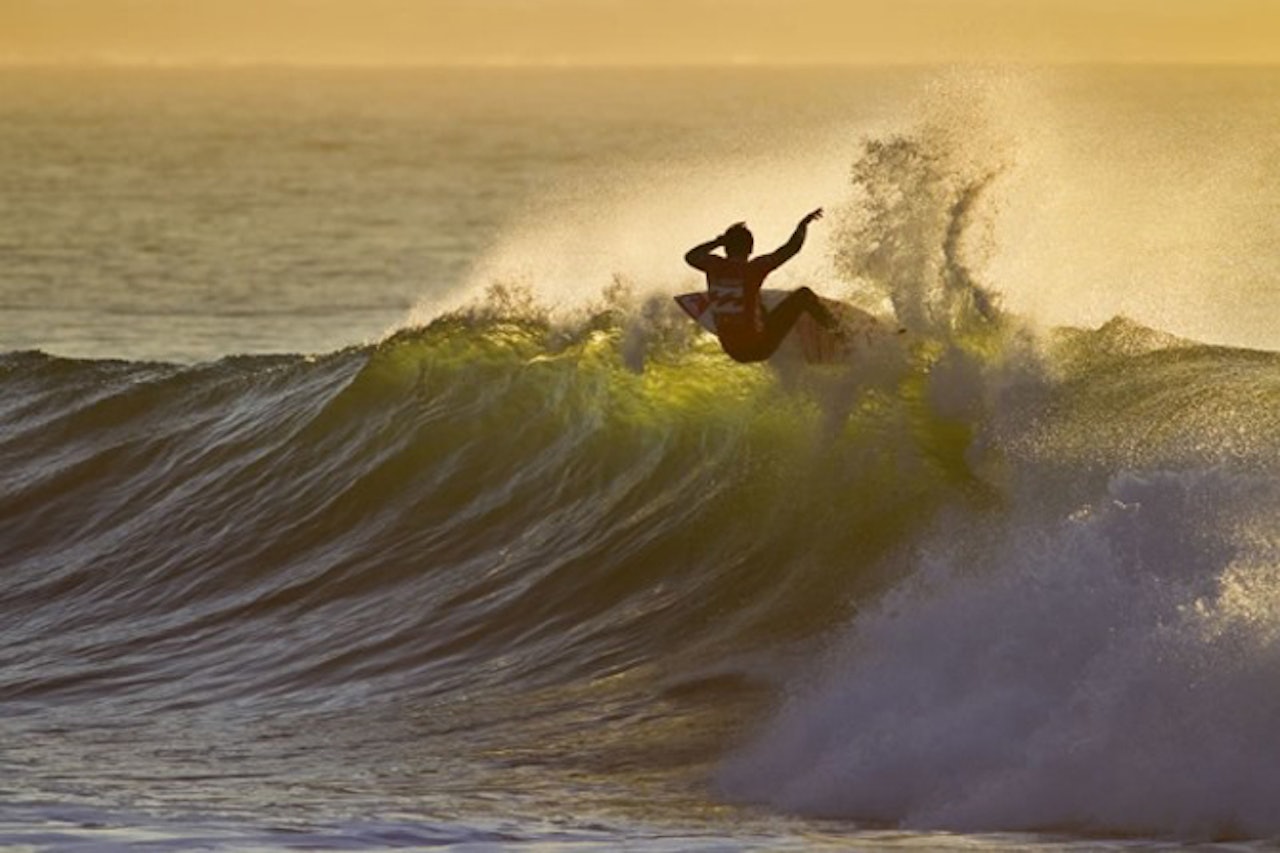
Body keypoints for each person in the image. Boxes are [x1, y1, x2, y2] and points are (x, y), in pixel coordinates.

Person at [684, 208, 843, 363]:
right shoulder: (754, 269)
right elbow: (791, 249)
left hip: (733, 351)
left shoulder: (713, 266)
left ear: (726, 248)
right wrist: (803, 224)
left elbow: (691, 256)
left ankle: (763, 323)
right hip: (759, 348)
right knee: (803, 295)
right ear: (751, 248)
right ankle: (840, 333)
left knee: (758, 304)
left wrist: (718, 241)